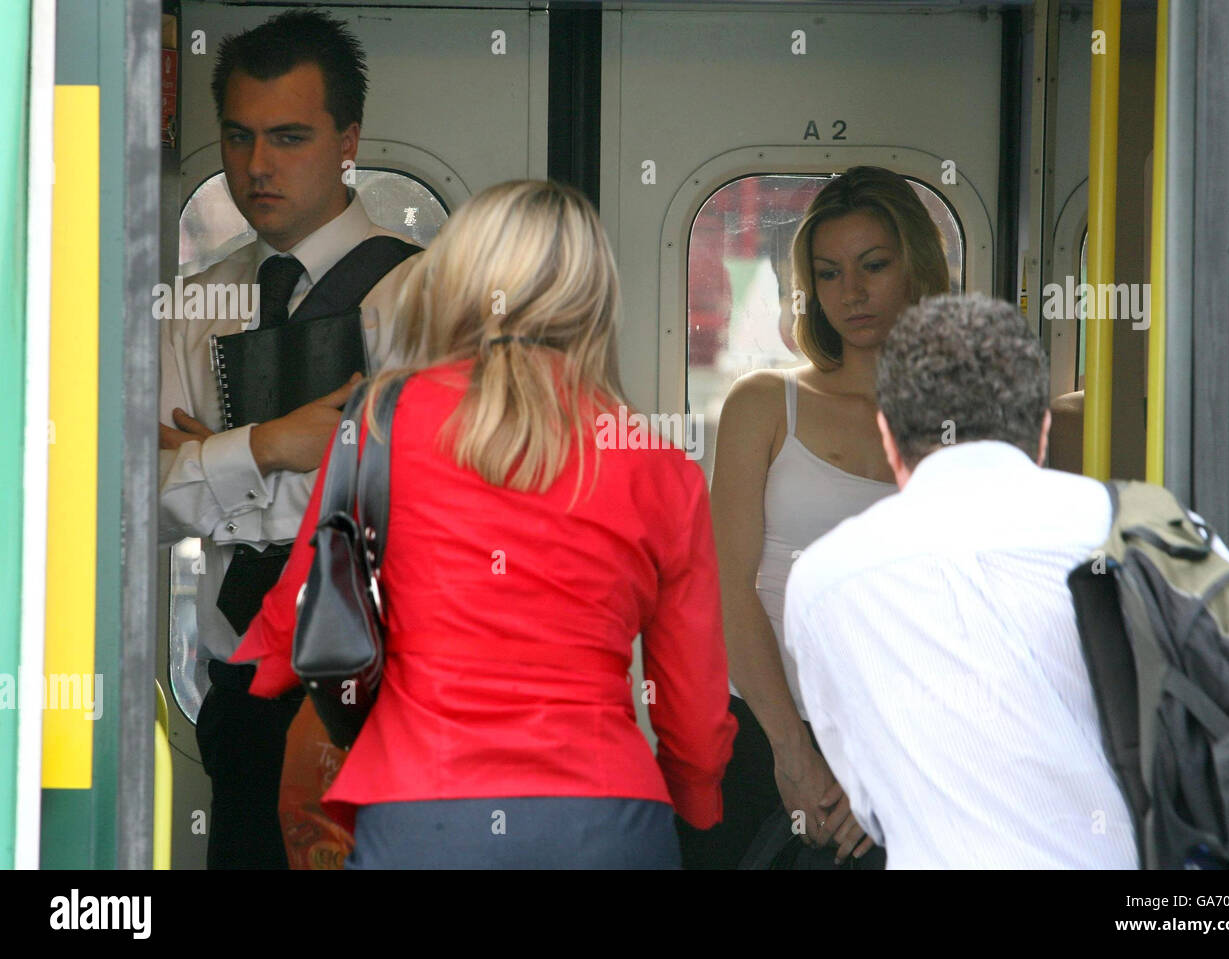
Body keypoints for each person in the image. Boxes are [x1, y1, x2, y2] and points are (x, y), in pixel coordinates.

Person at [231, 180, 737, 869]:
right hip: (606, 817)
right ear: (595, 301)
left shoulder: (382, 419)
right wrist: (696, 798)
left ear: (461, 280)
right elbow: (695, 710)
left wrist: (260, 678)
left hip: (422, 812)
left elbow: (301, 611)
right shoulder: (657, 464)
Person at [157, 10, 424, 869]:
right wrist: (271, 444)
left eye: (289, 137)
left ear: (348, 140)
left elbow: (430, 494)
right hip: (236, 682)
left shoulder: (428, 295)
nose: (257, 166)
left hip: (392, 686)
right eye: (238, 137)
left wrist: (211, 465)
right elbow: (135, 503)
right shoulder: (194, 305)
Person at [783, 293, 1139, 869]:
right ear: (1042, 431)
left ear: (888, 435)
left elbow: (869, 792)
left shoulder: (822, 580)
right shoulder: (1150, 532)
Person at [679, 167, 950, 868]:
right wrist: (792, 754)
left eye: (874, 266)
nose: (851, 293)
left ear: (915, 267)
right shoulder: (765, 402)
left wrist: (894, 771)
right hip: (758, 733)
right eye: (829, 273)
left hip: (893, 746)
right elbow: (728, 586)